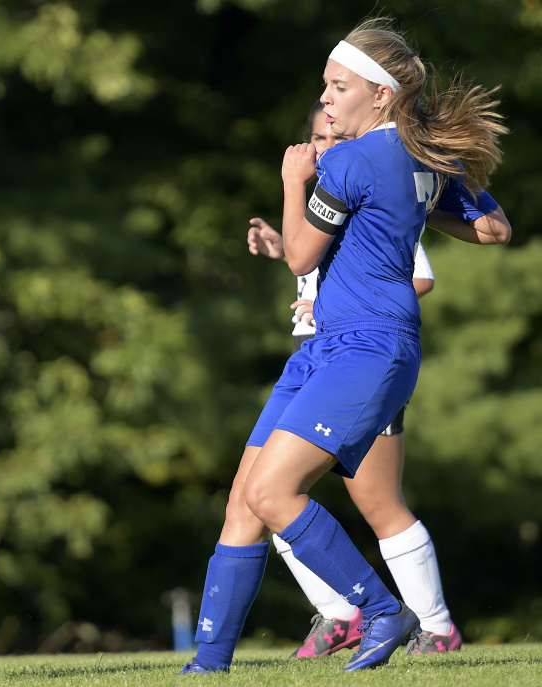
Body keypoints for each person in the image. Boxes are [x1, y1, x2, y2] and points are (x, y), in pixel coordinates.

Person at [180, 16, 510, 674]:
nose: (325, 98)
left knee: (275, 494)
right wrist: (414, 208)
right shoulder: (421, 155)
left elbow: (301, 250)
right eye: (325, 87)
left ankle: (379, 608)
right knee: (246, 496)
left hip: (365, 345)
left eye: (338, 86)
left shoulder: (350, 159)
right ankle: (206, 666)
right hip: (329, 348)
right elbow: (495, 229)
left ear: (380, 95)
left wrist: (292, 179)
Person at [247, 102, 460, 658]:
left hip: (361, 362)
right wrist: (280, 247)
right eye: (316, 138)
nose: (323, 147)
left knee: (375, 503)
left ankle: (434, 627)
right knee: (275, 498)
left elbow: (419, 276)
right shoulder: (329, 207)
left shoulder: (377, 196)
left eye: (331, 137)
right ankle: (342, 613)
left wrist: (343, 312)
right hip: (323, 363)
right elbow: (313, 263)